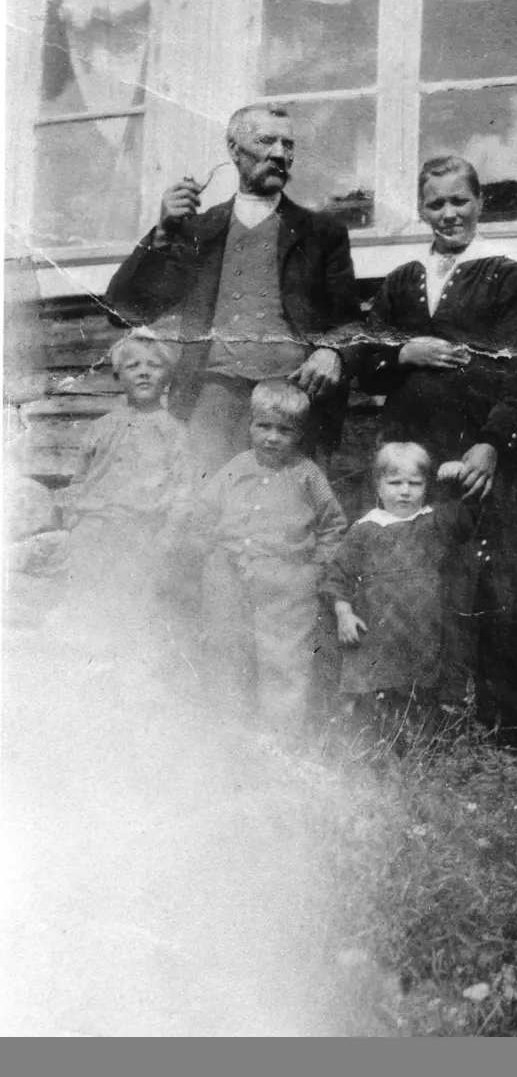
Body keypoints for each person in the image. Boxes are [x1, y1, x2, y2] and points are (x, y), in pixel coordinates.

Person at [357, 155, 517, 726]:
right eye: (436, 203)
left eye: (460, 201)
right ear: (421, 210)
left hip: (469, 452)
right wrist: (402, 353)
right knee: (406, 578)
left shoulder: (504, 274)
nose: (449, 213)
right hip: (409, 452)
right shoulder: (401, 281)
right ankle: (411, 719)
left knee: (470, 576)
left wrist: (490, 443)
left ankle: (481, 723)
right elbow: (366, 360)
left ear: (480, 203)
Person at [104, 101, 362, 482]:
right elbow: (125, 309)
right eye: (266, 141)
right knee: (204, 507)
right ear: (233, 150)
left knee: (288, 512)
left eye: (287, 145)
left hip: (291, 397)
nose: (279, 154)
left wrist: (334, 351)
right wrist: (161, 234)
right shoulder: (198, 231)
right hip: (213, 396)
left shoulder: (322, 234)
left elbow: (351, 322)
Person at [188, 380, 347, 736]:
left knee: (284, 658)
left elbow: (333, 524)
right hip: (228, 574)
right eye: (264, 426)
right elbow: (203, 511)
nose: (272, 438)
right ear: (249, 426)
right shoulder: (234, 468)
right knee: (227, 647)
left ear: (300, 435)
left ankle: (280, 740)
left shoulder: (307, 474)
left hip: (287, 582)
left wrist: (316, 567)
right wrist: (210, 548)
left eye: (285, 430)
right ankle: (228, 731)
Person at [321, 443, 476, 743]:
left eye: (414, 484)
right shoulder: (366, 528)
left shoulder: (434, 520)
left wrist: (452, 488)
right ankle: (372, 751)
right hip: (380, 631)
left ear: (426, 487)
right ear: (378, 486)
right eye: (394, 483)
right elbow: (339, 574)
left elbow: (462, 525)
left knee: (421, 695)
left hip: (422, 629)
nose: (404, 491)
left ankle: (420, 751)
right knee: (375, 702)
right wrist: (344, 613)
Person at [60, 328, 193, 671]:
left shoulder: (174, 432)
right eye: (133, 366)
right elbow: (80, 476)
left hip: (141, 537)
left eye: (155, 366)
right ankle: (91, 684)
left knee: (138, 617)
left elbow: (184, 490)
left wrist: (167, 536)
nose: (144, 372)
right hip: (93, 534)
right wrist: (74, 520)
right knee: (90, 611)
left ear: (168, 375)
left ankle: (133, 693)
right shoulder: (102, 427)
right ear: (118, 375)